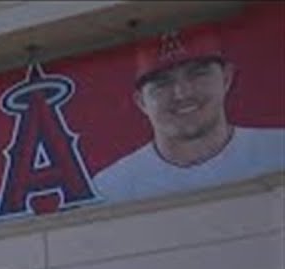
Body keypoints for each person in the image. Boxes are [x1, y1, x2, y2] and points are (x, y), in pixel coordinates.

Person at [92, 23, 285, 204]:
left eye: (197, 74)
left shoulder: (278, 151)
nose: (182, 94)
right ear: (141, 101)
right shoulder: (113, 187)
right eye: (162, 83)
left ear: (226, 78)